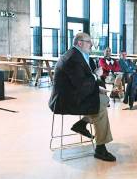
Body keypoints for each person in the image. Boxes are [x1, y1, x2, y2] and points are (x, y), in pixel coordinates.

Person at [48, 32, 116, 162]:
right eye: (89, 42)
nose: (91, 44)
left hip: (72, 95)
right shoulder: (73, 59)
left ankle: (82, 124)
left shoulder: (77, 55)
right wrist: (96, 75)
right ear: (80, 43)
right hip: (65, 100)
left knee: (103, 99)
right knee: (101, 103)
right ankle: (100, 148)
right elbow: (82, 84)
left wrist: (97, 87)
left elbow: (80, 83)